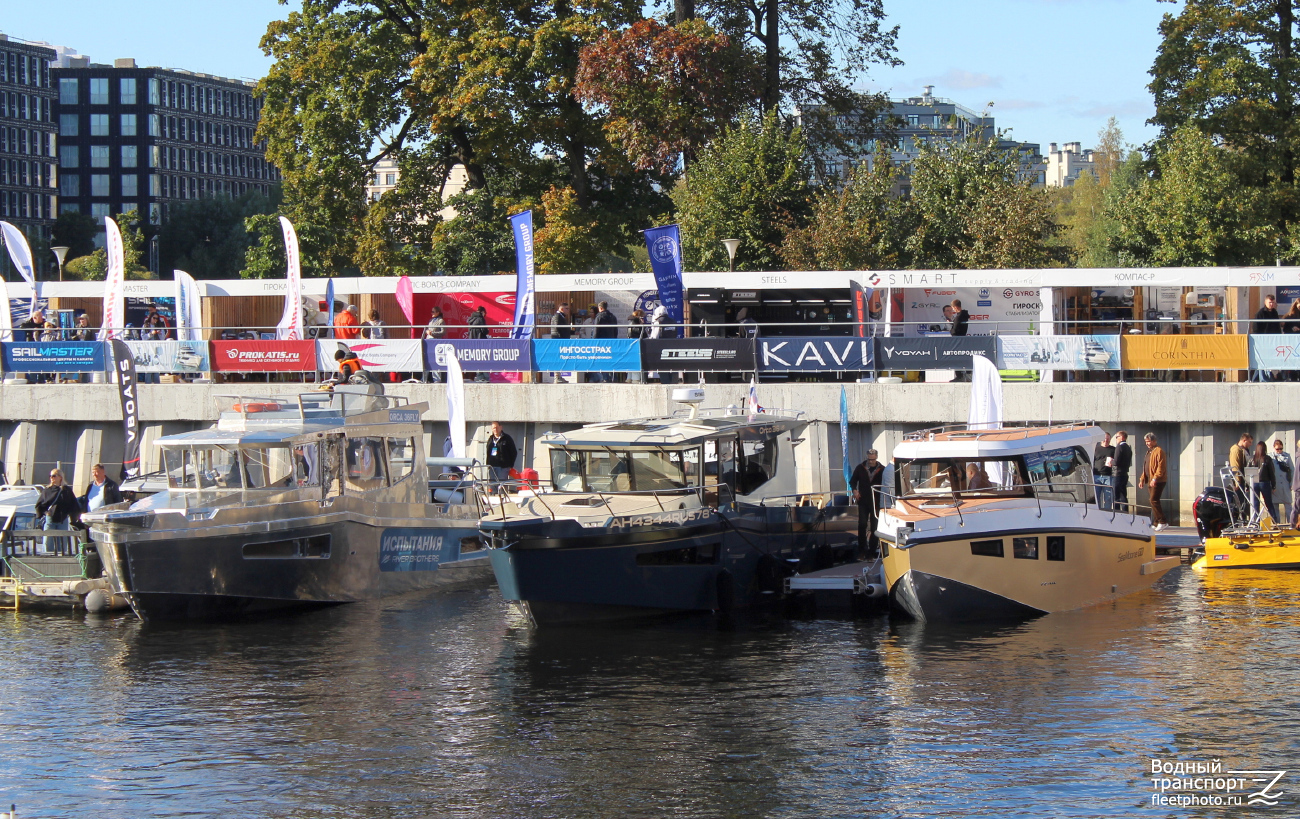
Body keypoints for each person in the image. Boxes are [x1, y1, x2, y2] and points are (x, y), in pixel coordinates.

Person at [849, 450, 885, 559]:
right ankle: (862, 550)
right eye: (869, 459)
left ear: (877, 457)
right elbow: (853, 481)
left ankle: (872, 552)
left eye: (873, 459)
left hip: (876, 501)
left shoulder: (882, 469)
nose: (871, 462)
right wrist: (855, 490)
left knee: (875, 527)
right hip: (863, 500)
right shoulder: (860, 467)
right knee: (862, 525)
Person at [36, 468, 80, 553]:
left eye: (53, 476)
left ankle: (62, 559)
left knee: (62, 543)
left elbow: (74, 505)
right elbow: (39, 505)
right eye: (50, 476)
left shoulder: (66, 490)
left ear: (60, 477)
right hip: (50, 519)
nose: (51, 478)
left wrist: (74, 518)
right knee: (48, 542)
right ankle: (48, 559)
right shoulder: (47, 490)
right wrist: (45, 512)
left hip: (62, 519)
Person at [1138, 433, 1168, 530]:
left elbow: (1161, 467)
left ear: (1154, 441)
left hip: (1158, 480)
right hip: (1150, 480)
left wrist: (1155, 478)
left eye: (1149, 441)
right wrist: (1142, 479)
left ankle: (1162, 521)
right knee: (1152, 501)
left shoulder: (1159, 451)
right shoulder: (1149, 452)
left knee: (1153, 500)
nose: (1147, 443)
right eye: (1146, 441)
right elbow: (1146, 467)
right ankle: (1156, 522)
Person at [1252, 295, 1281, 381]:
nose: (1271, 304)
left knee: (1268, 360)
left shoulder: (1275, 313)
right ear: (1265, 302)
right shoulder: (1260, 313)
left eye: (1273, 302)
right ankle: (1263, 379)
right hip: (1263, 340)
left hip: (1273, 340)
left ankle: (1255, 379)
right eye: (1270, 302)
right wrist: (1258, 340)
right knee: (1262, 360)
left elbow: (1277, 326)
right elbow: (1256, 328)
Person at [1251, 441, 1278, 523]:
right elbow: (1271, 473)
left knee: (1255, 504)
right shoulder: (1267, 459)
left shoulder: (1252, 459)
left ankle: (1256, 522)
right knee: (1268, 503)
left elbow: (1248, 472)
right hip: (1265, 482)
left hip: (1254, 482)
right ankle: (1274, 521)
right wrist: (1273, 485)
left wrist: (1246, 485)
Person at [592, 301, 619, 382]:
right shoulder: (613, 316)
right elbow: (615, 330)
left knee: (603, 359)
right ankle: (614, 378)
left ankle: (606, 378)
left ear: (600, 308)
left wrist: (594, 341)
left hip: (602, 341)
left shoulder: (599, 317)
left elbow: (596, 330)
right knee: (611, 359)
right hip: (611, 340)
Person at [465, 306, 489, 382]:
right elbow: (484, 331)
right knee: (483, 359)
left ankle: (478, 376)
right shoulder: (481, 318)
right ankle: (483, 377)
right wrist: (487, 331)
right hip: (480, 341)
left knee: (476, 358)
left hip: (472, 342)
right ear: (483, 312)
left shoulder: (470, 319)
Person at [1093, 432, 1116, 511]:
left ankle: (1108, 513)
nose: (1106, 440)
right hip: (1096, 476)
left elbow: (1117, 461)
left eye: (1108, 439)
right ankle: (1097, 513)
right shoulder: (1096, 448)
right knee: (1096, 497)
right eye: (1105, 438)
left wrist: (1113, 462)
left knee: (1108, 498)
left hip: (1108, 476)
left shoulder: (1113, 449)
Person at [1273, 438, 1293, 525]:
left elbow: (1292, 470)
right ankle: (1277, 525)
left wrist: (1292, 483)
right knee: (1275, 506)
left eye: (1281, 449)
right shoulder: (1270, 457)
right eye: (1277, 449)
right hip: (1275, 485)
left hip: (1285, 484)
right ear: (1274, 448)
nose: (1279, 451)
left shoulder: (1287, 456)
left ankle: (1291, 524)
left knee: (1288, 506)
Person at [1229, 433, 1253, 501]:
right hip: (1239, 480)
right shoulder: (1236, 450)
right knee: (1240, 500)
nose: (1250, 444)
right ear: (1244, 440)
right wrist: (1237, 482)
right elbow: (1235, 466)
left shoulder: (1245, 449)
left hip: (1245, 479)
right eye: (1249, 442)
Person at [1113, 431, 1133, 512]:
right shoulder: (1128, 447)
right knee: (1123, 495)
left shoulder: (1119, 447)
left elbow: (1116, 461)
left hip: (1118, 474)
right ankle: (1125, 512)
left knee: (1116, 495)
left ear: (1122, 437)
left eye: (1117, 437)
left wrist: (1111, 462)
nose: (1116, 439)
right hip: (1125, 473)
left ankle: (1116, 512)